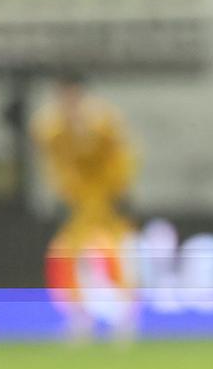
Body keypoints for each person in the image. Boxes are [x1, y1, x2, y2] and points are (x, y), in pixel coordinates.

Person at [29, 72, 139, 318]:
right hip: (77, 205)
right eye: (64, 97)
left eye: (73, 97)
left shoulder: (103, 120)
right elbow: (47, 148)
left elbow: (121, 155)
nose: (69, 103)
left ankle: (126, 314)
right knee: (70, 256)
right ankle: (77, 315)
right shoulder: (52, 126)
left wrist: (122, 189)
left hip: (106, 202)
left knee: (118, 255)